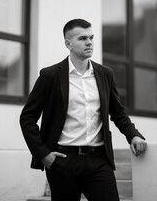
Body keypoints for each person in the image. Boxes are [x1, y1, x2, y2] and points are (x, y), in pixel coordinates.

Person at [20, 18, 147, 201]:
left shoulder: (105, 74)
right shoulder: (50, 76)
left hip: (99, 161)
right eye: (82, 38)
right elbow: (27, 118)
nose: (89, 42)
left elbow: (117, 112)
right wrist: (44, 155)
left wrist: (133, 134)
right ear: (68, 43)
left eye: (91, 37)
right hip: (63, 160)